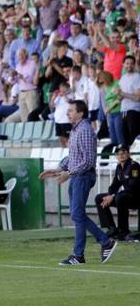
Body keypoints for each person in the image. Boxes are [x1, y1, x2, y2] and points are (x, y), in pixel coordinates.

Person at [39, 100, 118, 265]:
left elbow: (88, 161)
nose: (68, 113)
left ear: (81, 113)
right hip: (77, 176)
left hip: (83, 176)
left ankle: (102, 243)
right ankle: (82, 254)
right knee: (77, 215)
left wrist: (68, 173)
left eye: (71, 110)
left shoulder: (85, 130)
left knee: (76, 214)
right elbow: (73, 157)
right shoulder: (75, 130)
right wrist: (57, 169)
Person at [95, 145, 140, 241]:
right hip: (125, 196)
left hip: (136, 197)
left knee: (120, 198)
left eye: (123, 153)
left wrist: (114, 196)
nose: (121, 155)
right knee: (99, 198)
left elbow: (133, 187)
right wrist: (109, 195)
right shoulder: (119, 167)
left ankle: (124, 231)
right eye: (118, 154)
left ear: (128, 154)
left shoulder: (134, 166)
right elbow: (114, 185)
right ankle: (112, 228)